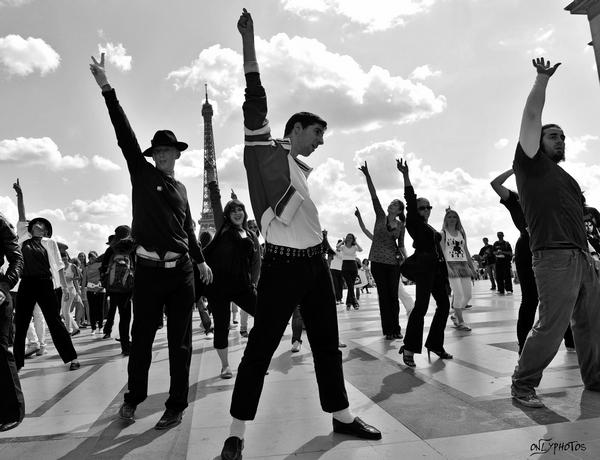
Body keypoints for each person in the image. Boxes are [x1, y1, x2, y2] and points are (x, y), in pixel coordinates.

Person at [220, 9, 381, 460]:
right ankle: (236, 432)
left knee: (327, 344)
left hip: (313, 262)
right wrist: (249, 43)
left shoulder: (298, 167)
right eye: (316, 133)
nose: (320, 142)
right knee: (261, 348)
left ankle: (342, 415)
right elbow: (254, 96)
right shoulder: (263, 151)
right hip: (282, 265)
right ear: (294, 128)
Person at [90, 52, 213, 429]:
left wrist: (202, 259)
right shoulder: (142, 175)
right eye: (157, 151)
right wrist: (107, 89)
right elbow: (124, 136)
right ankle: (133, 397)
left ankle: (176, 404)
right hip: (147, 271)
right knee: (141, 339)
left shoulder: (182, 189)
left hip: (182, 273)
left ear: (176, 155)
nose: (163, 156)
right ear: (153, 155)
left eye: (168, 151)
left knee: (180, 342)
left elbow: (189, 229)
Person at [511, 57, 600, 408]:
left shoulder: (568, 179)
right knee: (551, 325)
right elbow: (532, 117)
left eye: (563, 137)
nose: (560, 140)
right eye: (553, 135)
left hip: (582, 257)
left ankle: (595, 378)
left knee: (592, 324)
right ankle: (523, 384)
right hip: (553, 257)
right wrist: (541, 80)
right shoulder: (529, 164)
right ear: (537, 141)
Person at [491, 169, 574, 354]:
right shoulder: (515, 198)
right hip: (527, 249)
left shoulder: (547, 198)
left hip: (550, 246)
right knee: (530, 299)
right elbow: (495, 184)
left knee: (560, 296)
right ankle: (523, 344)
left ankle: (570, 338)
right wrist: (515, 169)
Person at [12, 180, 80, 372]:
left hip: (44, 284)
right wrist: (20, 195)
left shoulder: (50, 243)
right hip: (26, 283)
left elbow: (58, 266)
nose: (38, 225)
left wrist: (66, 289)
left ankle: (71, 358)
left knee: (55, 321)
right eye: (36, 224)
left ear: (46, 230)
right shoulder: (24, 238)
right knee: (22, 322)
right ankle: (17, 364)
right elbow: (22, 215)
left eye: (42, 225)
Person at [203, 167, 259, 379]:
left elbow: (255, 263)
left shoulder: (251, 235)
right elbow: (216, 203)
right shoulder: (223, 228)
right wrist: (211, 183)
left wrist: (253, 282)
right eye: (233, 210)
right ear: (227, 215)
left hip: (242, 286)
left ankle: (253, 358)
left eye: (240, 209)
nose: (237, 213)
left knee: (265, 319)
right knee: (222, 326)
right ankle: (225, 365)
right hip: (219, 287)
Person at [396, 159, 452, 367]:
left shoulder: (428, 226)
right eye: (422, 207)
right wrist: (405, 176)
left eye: (429, 207)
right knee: (421, 307)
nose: (426, 210)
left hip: (437, 269)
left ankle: (435, 344)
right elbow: (410, 199)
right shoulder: (414, 222)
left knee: (444, 305)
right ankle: (409, 348)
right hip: (424, 267)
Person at [357, 163, 407, 339]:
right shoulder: (380, 216)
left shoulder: (401, 225)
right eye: (391, 204)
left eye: (395, 205)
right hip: (377, 261)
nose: (391, 205)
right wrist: (368, 175)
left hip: (393, 263)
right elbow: (374, 195)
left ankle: (396, 329)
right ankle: (388, 331)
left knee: (393, 296)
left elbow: (401, 245)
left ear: (400, 210)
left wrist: (406, 261)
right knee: (383, 296)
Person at [0, 211, 24, 432]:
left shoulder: (0, 222)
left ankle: (12, 411)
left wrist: (5, 285)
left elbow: (17, 258)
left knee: (0, 351)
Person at [99, 225, 134, 354]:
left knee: (119, 314)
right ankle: (128, 343)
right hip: (129, 289)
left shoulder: (111, 249)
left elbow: (103, 269)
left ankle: (124, 346)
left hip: (113, 290)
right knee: (127, 317)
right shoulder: (132, 248)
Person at [441, 209, 477, 332]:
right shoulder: (443, 233)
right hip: (451, 264)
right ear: (446, 219)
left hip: (463, 264)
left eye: (454, 217)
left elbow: (466, 250)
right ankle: (461, 322)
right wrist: (447, 268)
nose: (452, 219)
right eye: (449, 216)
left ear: (457, 219)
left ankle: (455, 315)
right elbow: (442, 252)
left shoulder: (461, 232)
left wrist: (472, 267)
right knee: (459, 294)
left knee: (467, 295)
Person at [336, 234, 362, 310]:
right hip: (345, 266)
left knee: (351, 286)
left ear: (353, 239)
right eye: (348, 237)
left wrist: (356, 242)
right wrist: (343, 241)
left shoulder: (354, 247)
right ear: (346, 238)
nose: (349, 239)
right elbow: (337, 247)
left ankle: (348, 303)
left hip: (353, 266)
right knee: (350, 285)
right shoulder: (343, 247)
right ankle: (355, 303)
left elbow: (361, 249)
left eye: (351, 238)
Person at [83, 251, 105, 335]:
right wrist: (82, 292)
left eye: (93, 256)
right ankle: (93, 328)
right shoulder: (86, 267)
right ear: (88, 258)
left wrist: (102, 286)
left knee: (100, 309)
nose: (92, 258)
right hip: (90, 289)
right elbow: (84, 280)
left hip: (100, 289)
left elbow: (104, 276)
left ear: (96, 257)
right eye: (90, 257)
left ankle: (100, 327)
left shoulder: (101, 264)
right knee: (92, 310)